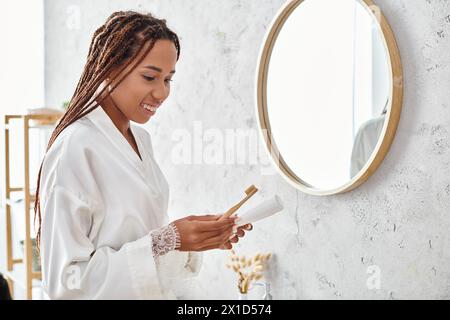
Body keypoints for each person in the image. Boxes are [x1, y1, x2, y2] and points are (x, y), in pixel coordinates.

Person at [34, 10, 252, 300]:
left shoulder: (140, 140)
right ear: (110, 68)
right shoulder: (76, 147)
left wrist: (194, 236)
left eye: (168, 80)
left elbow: (140, 235)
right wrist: (165, 240)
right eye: (150, 77)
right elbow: (65, 283)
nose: (162, 94)